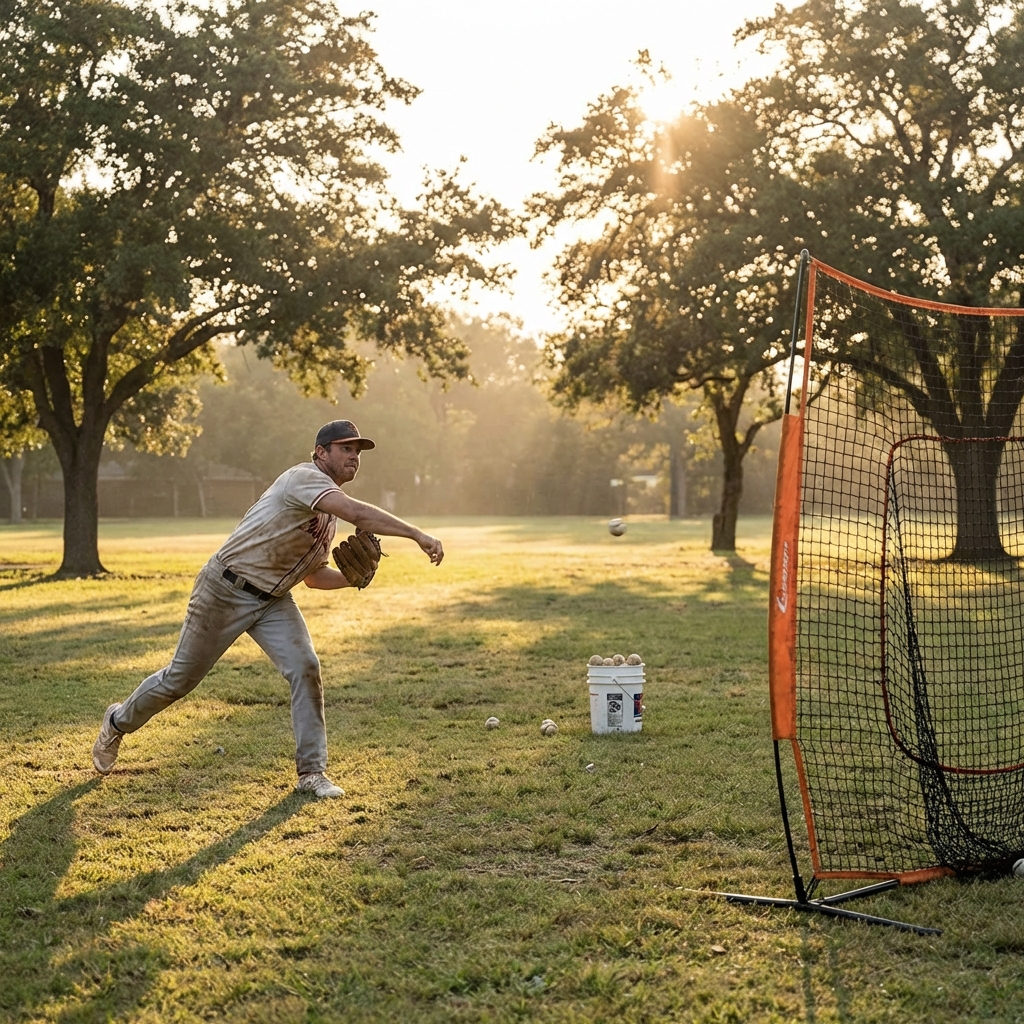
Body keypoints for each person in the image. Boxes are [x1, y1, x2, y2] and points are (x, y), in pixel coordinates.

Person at [91, 419, 444, 797]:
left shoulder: (326, 517)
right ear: (321, 453)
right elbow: (358, 514)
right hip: (224, 590)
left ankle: (312, 772)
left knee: (306, 667)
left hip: (273, 600)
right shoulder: (303, 479)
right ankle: (117, 722)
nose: (354, 456)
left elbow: (313, 577)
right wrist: (416, 534)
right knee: (179, 680)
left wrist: (351, 579)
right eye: (346, 448)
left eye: (357, 451)